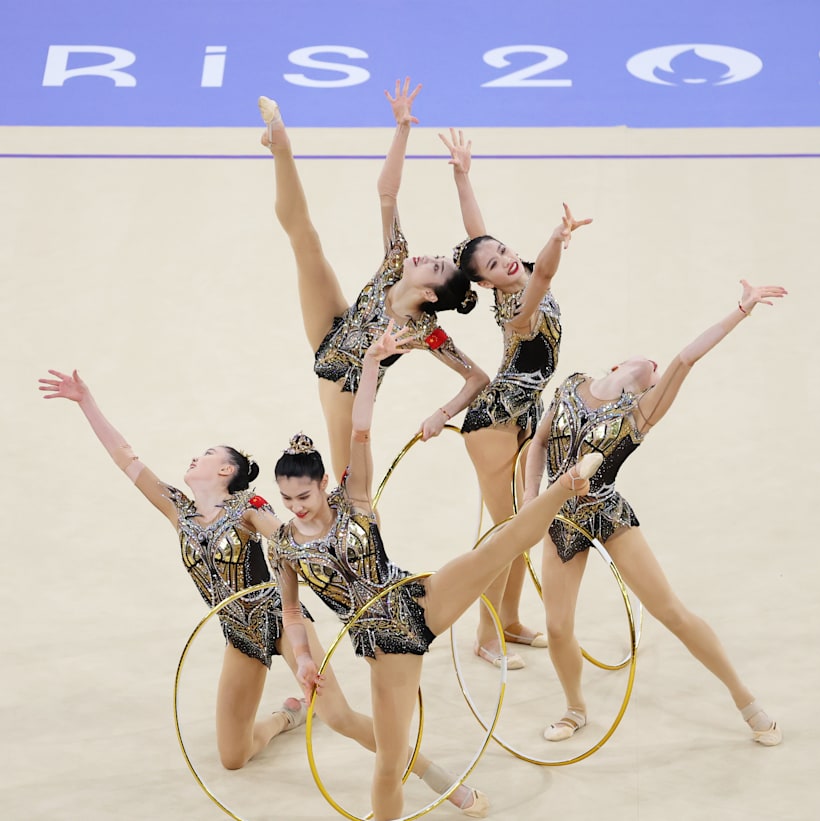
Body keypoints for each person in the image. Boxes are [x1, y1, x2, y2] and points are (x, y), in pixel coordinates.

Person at [37, 369, 490, 813]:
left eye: (207, 454)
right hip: (239, 633)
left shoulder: (248, 509)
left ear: (226, 469)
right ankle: (287, 716)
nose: (195, 458)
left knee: (338, 717)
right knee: (233, 757)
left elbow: (293, 540)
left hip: (279, 621)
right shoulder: (177, 510)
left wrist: (340, 532)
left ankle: (442, 781)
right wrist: (85, 401)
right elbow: (125, 458)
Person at [268, 328, 605, 819]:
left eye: (303, 495)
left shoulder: (352, 497)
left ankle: (567, 485)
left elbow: (360, 428)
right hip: (384, 645)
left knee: (500, 544)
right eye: (286, 499)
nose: (296, 507)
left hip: (418, 598)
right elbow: (292, 613)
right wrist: (301, 658)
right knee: (389, 762)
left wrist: (371, 363)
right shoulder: (283, 546)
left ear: (322, 483)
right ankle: (437, 790)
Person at [522, 281, 788, 746]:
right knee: (558, 626)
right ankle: (574, 709)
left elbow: (685, 359)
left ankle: (746, 700)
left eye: (657, 374)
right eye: (650, 363)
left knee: (670, 611)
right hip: (558, 519)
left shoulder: (640, 413)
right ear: (616, 365)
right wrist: (530, 498)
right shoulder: (570, 385)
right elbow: (540, 441)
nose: (655, 366)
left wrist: (741, 310)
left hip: (606, 513)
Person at [259, 81, 489, 480]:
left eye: (434, 267)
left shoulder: (424, 331)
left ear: (429, 293)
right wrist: (402, 128)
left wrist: (442, 414)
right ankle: (281, 145)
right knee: (306, 241)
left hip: (344, 388)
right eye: (436, 258)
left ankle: (367, 526)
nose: (426, 258)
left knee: (350, 484)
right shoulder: (397, 259)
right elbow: (387, 191)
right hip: (332, 326)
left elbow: (477, 378)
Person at [440, 128, 592, 670]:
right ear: (484, 285)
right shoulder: (518, 307)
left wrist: (463, 176)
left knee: (520, 531)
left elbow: (477, 237)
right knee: (508, 536)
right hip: (493, 422)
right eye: (493, 265)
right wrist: (557, 236)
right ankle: (485, 637)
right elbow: (545, 271)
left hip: (524, 416)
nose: (505, 260)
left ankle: (508, 621)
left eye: (504, 251)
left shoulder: (507, 267)